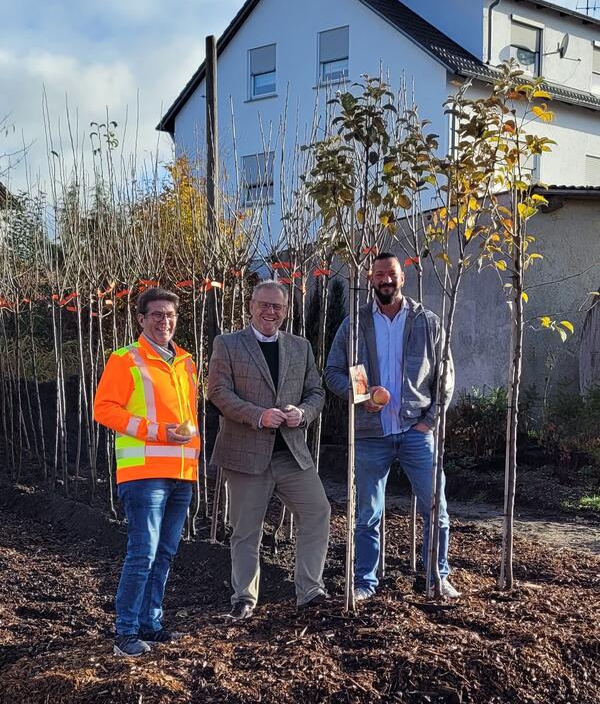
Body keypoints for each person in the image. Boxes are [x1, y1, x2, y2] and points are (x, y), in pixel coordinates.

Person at [324, 253, 459, 600]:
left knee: (436, 508)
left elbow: (445, 375)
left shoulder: (427, 322)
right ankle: (365, 582)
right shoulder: (355, 324)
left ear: (403, 277)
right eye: (380, 274)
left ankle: (436, 578)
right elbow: (333, 372)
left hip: (416, 430)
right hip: (371, 434)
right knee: (368, 513)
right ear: (371, 279)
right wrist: (362, 396)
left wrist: (430, 420)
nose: (386, 279)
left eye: (393, 274)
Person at [207, 280, 330, 620]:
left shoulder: (300, 347)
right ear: (250, 305)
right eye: (263, 304)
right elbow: (217, 391)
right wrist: (257, 416)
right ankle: (244, 597)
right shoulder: (228, 344)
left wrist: (303, 413)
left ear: (286, 311)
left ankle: (310, 590)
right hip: (246, 455)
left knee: (318, 512)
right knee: (246, 530)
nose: (270, 311)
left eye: (277, 306)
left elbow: (316, 392)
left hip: (291, 454)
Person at [94, 287, 201, 656]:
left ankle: (149, 624)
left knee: (165, 552)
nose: (164, 321)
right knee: (143, 552)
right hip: (144, 473)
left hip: (182, 472)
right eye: (156, 314)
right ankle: (124, 633)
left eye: (170, 314)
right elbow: (104, 409)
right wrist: (154, 431)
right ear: (140, 319)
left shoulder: (185, 362)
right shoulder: (126, 359)